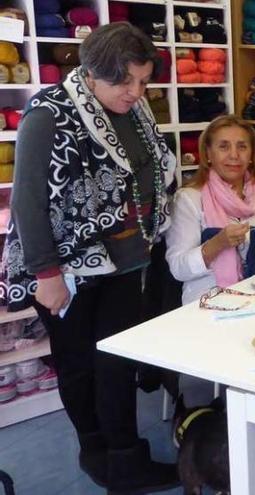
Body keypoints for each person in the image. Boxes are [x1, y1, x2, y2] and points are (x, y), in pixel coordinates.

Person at [1, 23, 179, 492]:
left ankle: (125, 458)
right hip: (68, 268)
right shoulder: (48, 114)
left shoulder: (134, 111)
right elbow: (27, 202)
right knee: (79, 363)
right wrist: (47, 273)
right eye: (126, 82)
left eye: (143, 81)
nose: (136, 92)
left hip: (125, 260)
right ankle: (96, 454)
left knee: (115, 363)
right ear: (94, 72)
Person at [165, 115, 255, 304]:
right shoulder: (190, 199)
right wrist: (216, 244)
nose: (234, 155)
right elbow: (178, 269)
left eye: (242, 147)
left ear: (252, 154)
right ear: (208, 154)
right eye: (224, 146)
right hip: (209, 303)